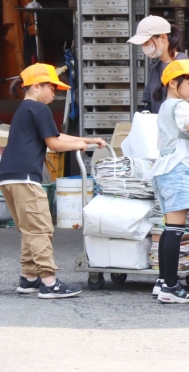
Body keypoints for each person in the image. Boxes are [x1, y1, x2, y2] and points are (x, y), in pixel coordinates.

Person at [0, 64, 106, 298]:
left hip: (9, 177)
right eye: (52, 88)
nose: (54, 93)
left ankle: (29, 277)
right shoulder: (39, 108)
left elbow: (55, 136)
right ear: (36, 86)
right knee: (40, 228)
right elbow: (55, 144)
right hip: (26, 177)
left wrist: (86, 140)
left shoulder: (25, 109)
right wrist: (80, 144)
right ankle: (49, 282)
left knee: (29, 229)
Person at [147, 59, 189, 304]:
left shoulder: (164, 108)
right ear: (173, 84)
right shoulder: (183, 107)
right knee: (176, 230)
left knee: (169, 229)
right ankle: (171, 287)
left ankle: (163, 281)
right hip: (177, 171)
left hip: (162, 171)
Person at [127, 15, 189, 119]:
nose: (144, 46)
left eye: (146, 42)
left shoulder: (183, 62)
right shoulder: (154, 69)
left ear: (163, 37)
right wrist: (144, 113)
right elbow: (151, 103)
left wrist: (174, 112)